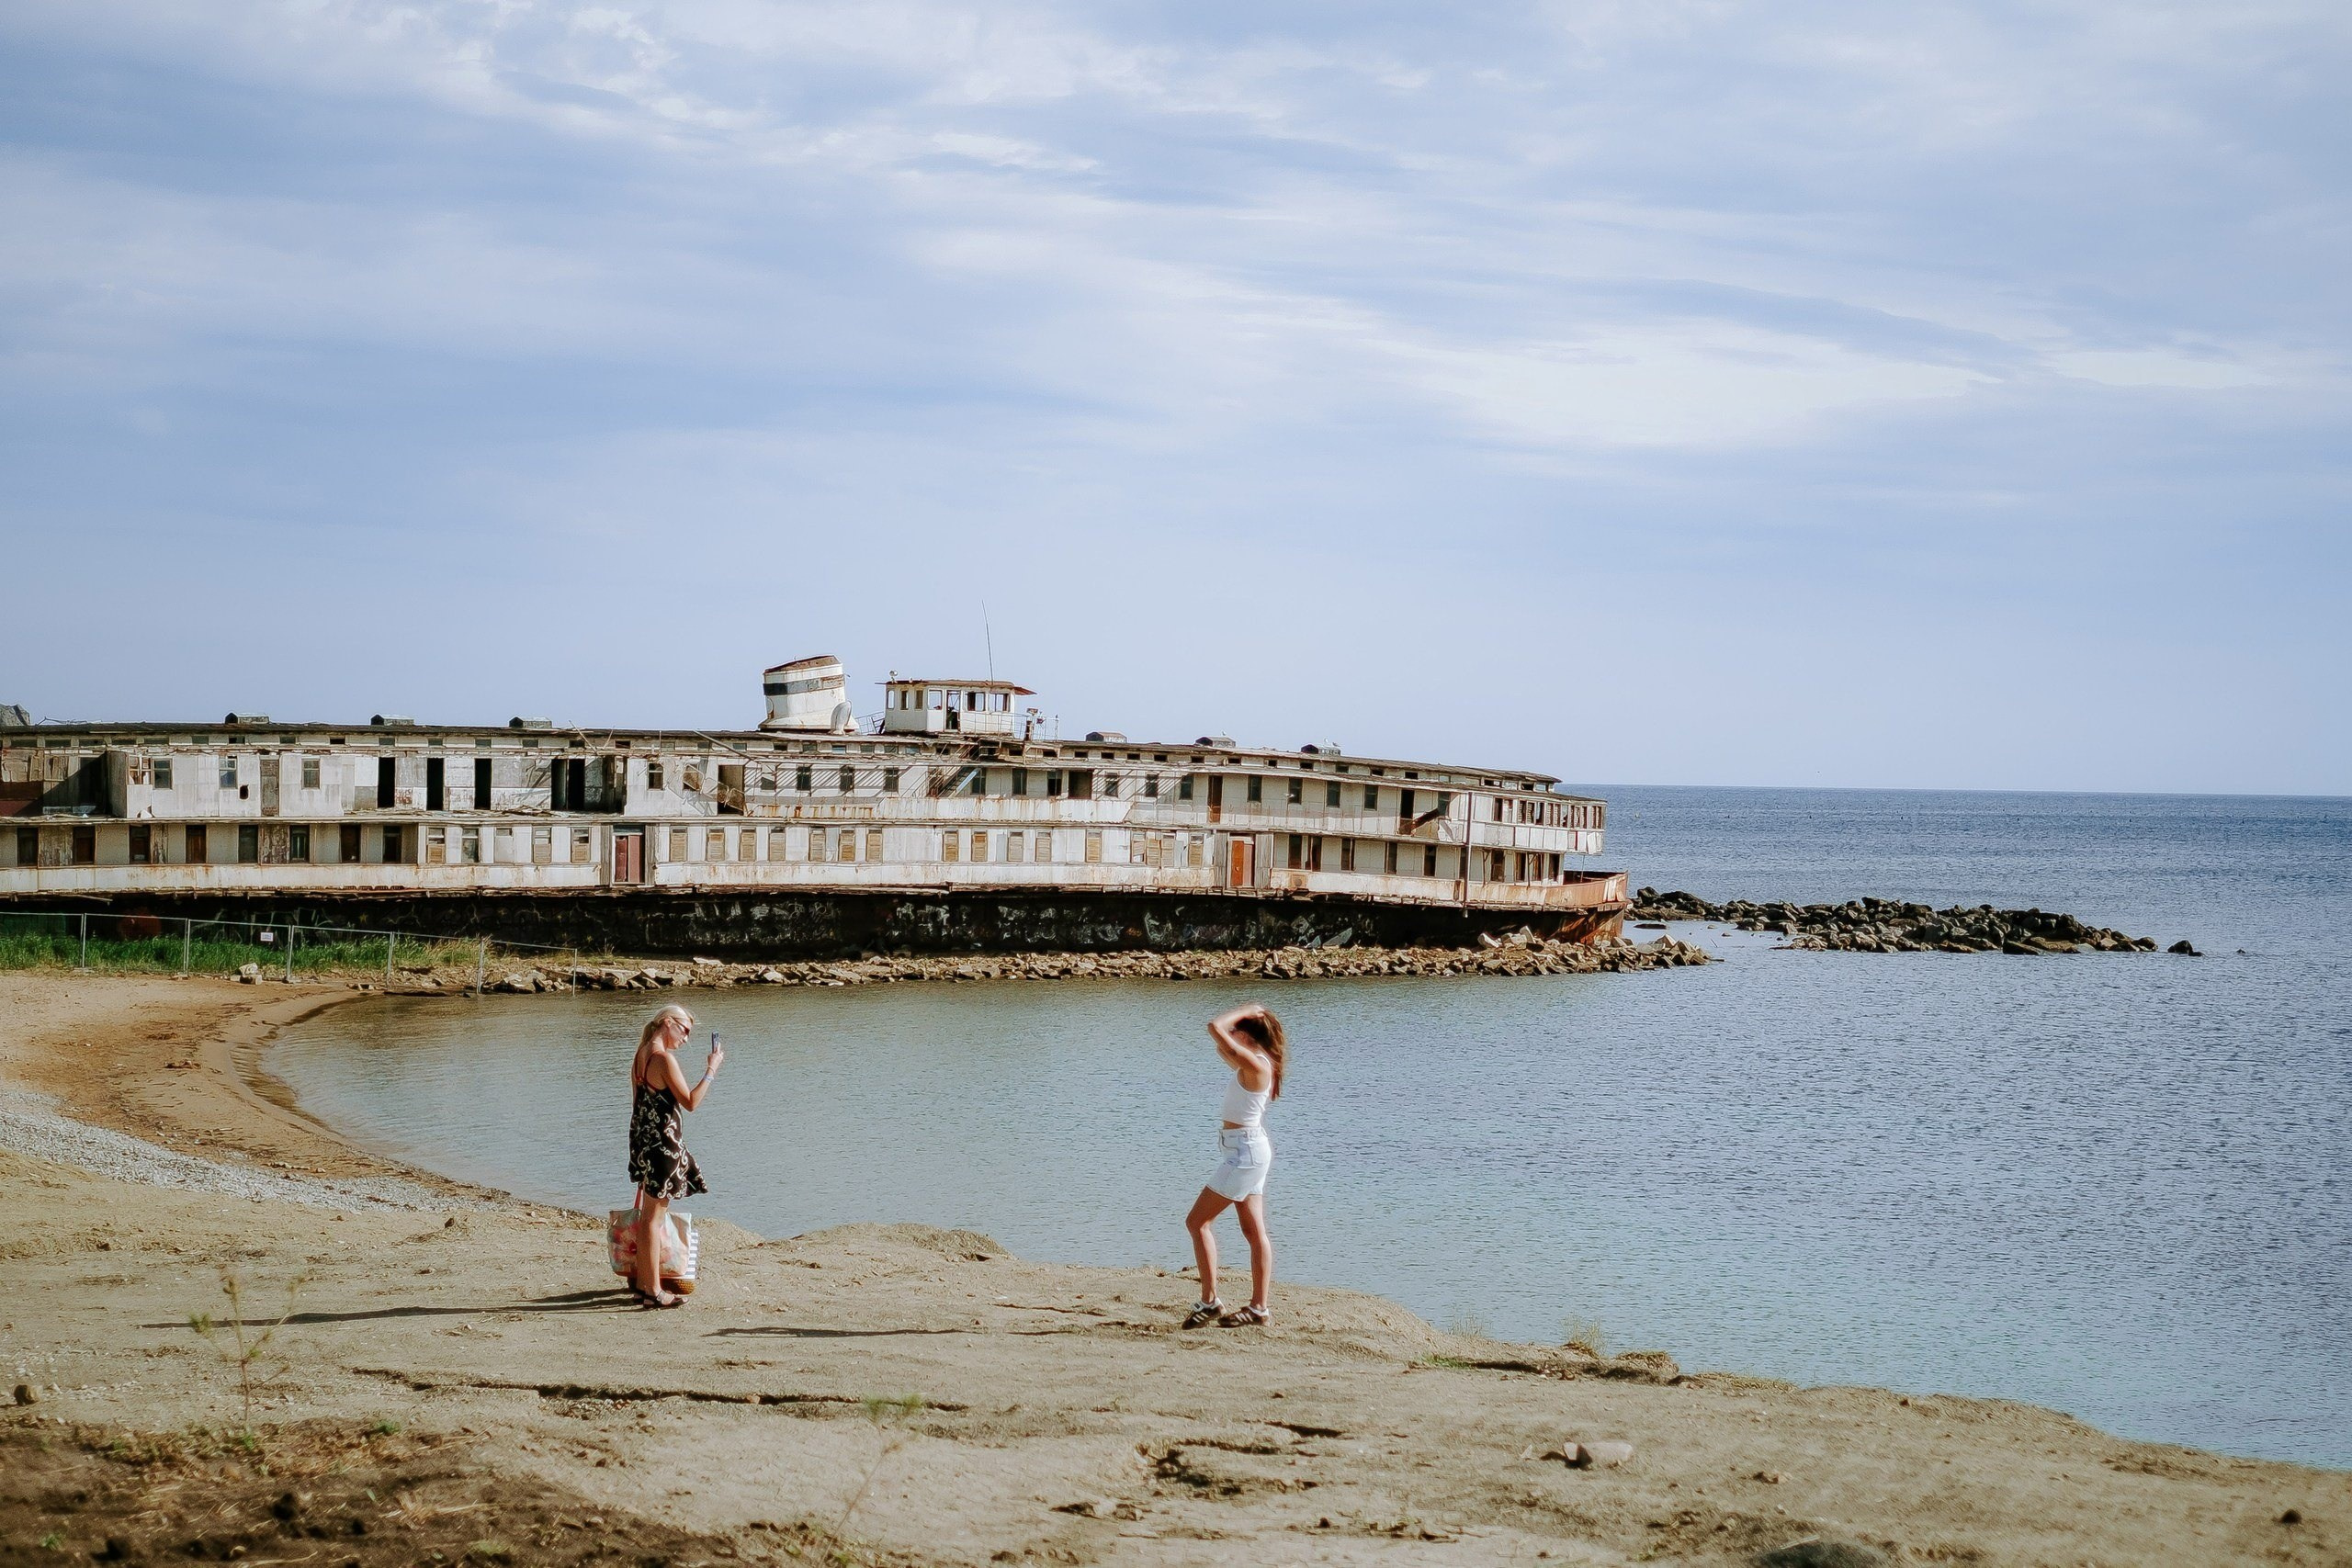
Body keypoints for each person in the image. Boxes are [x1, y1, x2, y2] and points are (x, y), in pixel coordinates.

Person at [1183, 1002, 1286, 1328]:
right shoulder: (1254, 1061)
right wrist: (1246, 1021)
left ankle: (1210, 1300)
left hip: (1245, 1155)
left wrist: (1249, 1009)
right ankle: (1258, 1309)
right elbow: (1219, 1040)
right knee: (1253, 1231)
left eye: (1237, 1030)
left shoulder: (1255, 1063)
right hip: (1246, 1152)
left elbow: (1215, 1026)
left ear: (1245, 1033)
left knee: (1197, 1222)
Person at [627, 1002, 721, 1307]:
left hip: (643, 1144)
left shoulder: (640, 1056)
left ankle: (644, 1283)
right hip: (662, 1148)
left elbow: (638, 1106)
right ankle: (654, 1291)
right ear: (667, 1023)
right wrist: (711, 1069)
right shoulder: (664, 1060)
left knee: (647, 1218)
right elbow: (691, 1102)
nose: (686, 1039)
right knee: (654, 1219)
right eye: (685, 1030)